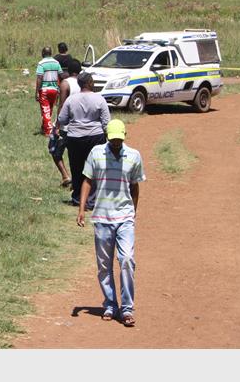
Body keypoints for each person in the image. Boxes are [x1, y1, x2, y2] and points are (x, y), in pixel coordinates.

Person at [77, 119, 145, 327]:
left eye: (119, 140)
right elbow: (87, 180)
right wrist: (81, 209)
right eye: (113, 139)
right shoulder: (96, 153)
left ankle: (127, 308)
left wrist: (132, 212)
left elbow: (135, 186)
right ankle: (110, 304)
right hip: (102, 218)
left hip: (124, 218)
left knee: (127, 260)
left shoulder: (134, 156)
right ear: (107, 136)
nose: (116, 143)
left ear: (124, 137)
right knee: (104, 265)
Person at [57, 71, 111, 208]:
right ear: (89, 83)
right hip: (95, 137)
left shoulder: (71, 100)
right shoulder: (99, 99)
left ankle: (77, 198)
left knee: (76, 168)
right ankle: (91, 201)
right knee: (94, 168)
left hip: (75, 137)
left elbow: (62, 119)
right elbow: (106, 122)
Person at [49, 58, 82, 187]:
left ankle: (65, 176)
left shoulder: (65, 83)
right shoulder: (84, 83)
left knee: (54, 150)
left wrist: (58, 125)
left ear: (68, 70)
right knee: (75, 155)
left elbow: (62, 105)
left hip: (66, 126)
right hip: (79, 124)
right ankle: (77, 180)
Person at [35, 46, 63, 135]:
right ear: (51, 53)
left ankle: (48, 131)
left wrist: (37, 91)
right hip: (54, 90)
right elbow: (61, 76)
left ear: (43, 53)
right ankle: (44, 127)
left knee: (45, 110)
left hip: (44, 90)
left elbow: (39, 78)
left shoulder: (41, 63)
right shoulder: (56, 63)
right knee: (49, 110)